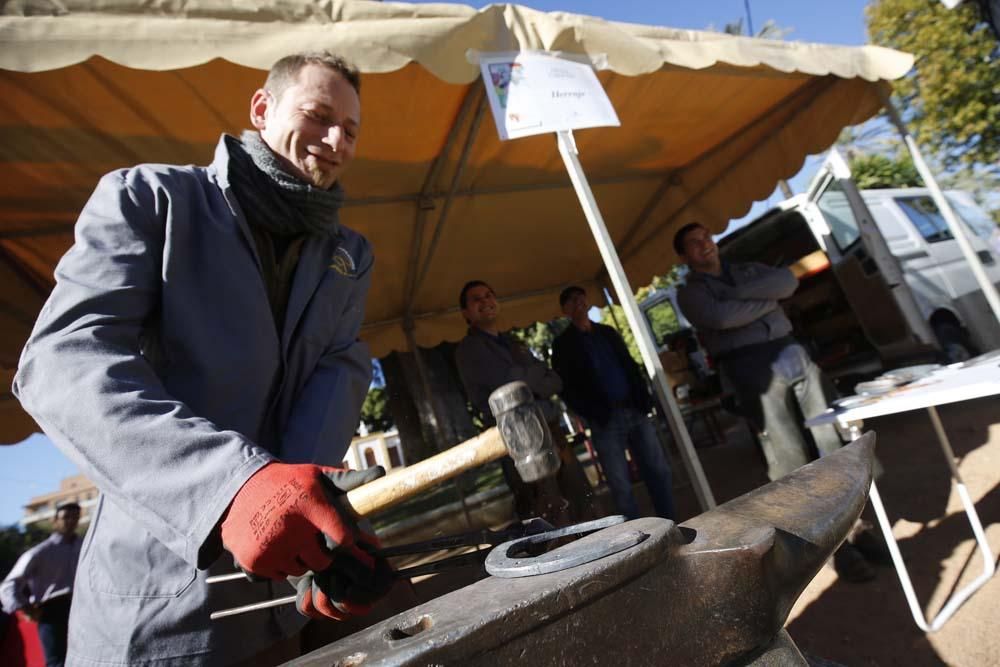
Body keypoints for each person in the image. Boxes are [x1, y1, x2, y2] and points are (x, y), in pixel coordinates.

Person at [12, 52, 394, 666]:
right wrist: (230, 486)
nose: (335, 140)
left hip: (281, 613)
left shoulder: (350, 255)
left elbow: (337, 373)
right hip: (158, 614)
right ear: (262, 108)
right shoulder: (153, 199)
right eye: (319, 116)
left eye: (350, 131)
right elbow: (62, 358)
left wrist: (321, 535)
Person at [673, 222, 878, 581]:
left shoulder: (743, 271)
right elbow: (720, 318)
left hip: (792, 351)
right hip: (750, 366)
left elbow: (788, 282)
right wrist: (766, 300)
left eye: (706, 237)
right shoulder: (690, 293)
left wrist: (739, 293)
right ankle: (827, 546)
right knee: (789, 456)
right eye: (694, 243)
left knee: (833, 441)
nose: (705, 244)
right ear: (684, 257)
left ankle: (856, 526)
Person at [454, 280, 594, 523]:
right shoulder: (469, 349)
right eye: (476, 299)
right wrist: (533, 375)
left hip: (551, 431)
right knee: (548, 513)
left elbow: (555, 382)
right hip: (518, 441)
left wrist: (526, 376)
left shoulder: (513, 342)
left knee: (580, 499)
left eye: (489, 295)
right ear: (466, 313)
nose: (485, 301)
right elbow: (508, 389)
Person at [551, 287, 677, 521]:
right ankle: (638, 540)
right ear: (564, 310)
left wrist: (643, 399)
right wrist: (591, 414)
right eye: (571, 300)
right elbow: (565, 388)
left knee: (658, 470)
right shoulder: (563, 345)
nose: (579, 303)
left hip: (634, 410)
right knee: (620, 485)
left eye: (581, 297)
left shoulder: (607, 333)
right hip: (604, 421)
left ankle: (670, 522)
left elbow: (629, 365)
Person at [1, 503, 82, 667]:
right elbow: (9, 585)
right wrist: (24, 607)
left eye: (75, 517)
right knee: (56, 662)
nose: (71, 521)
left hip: (81, 609)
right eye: (66, 517)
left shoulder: (84, 546)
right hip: (53, 612)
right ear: (55, 521)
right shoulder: (42, 552)